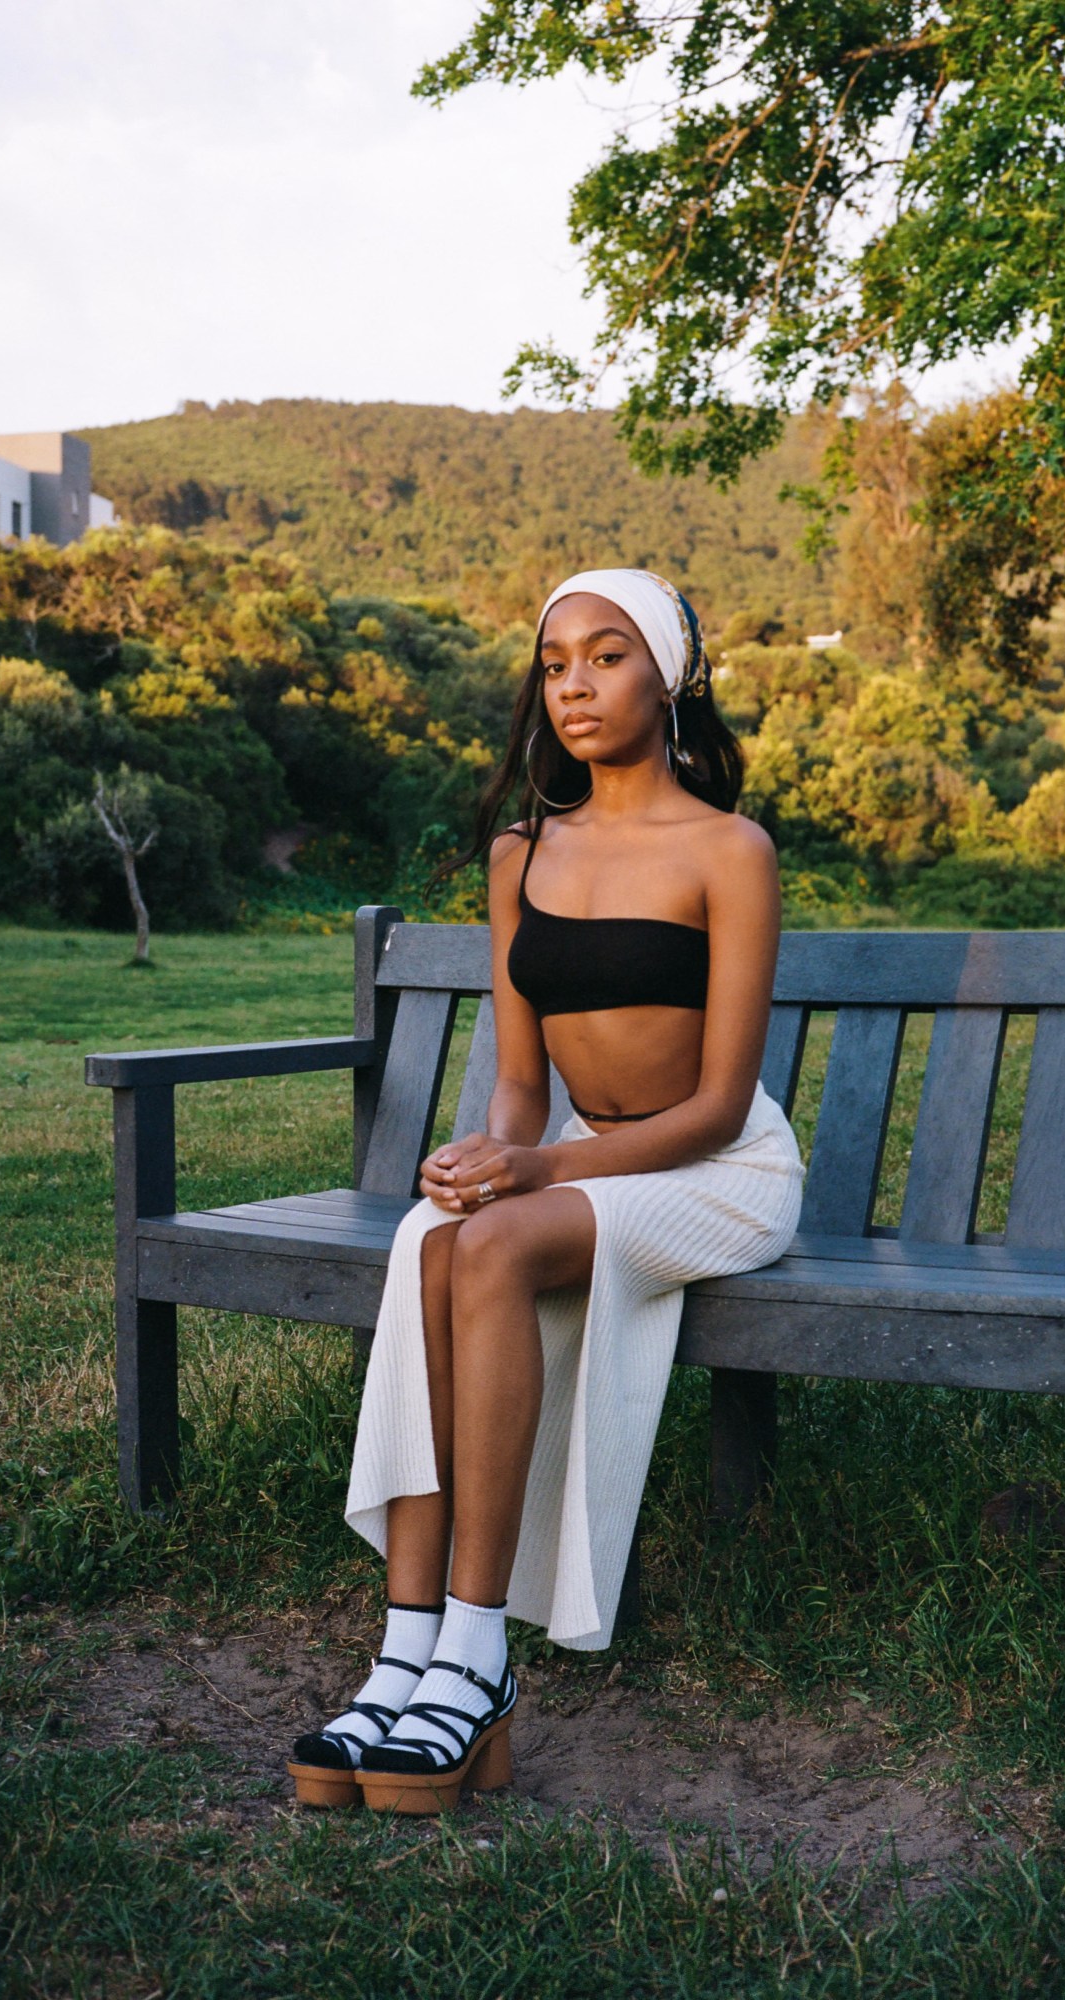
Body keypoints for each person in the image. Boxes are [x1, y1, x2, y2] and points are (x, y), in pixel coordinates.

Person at [287, 568, 804, 1813]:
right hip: (580, 1157)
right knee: (432, 1238)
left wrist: (536, 1171)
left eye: (608, 654)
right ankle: (404, 1648)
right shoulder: (522, 851)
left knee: (497, 1247)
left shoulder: (731, 851)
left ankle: (476, 1658)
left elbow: (721, 1106)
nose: (574, 682)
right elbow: (521, 1084)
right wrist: (485, 1154)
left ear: (669, 674)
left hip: (717, 1173)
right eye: (555, 659)